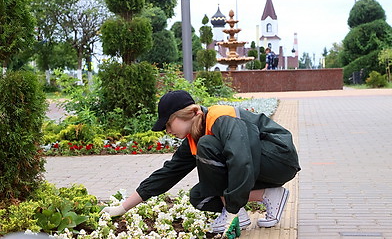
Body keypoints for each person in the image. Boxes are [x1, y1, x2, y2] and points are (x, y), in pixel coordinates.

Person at [102, 90, 300, 236]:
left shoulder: (220, 118)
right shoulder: (194, 136)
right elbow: (168, 173)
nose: (167, 131)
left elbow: (242, 161)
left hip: (279, 158)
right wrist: (123, 207)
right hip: (258, 162)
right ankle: (270, 195)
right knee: (199, 196)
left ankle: (238, 212)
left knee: (208, 146)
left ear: (190, 113)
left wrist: (232, 211)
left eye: (168, 124)